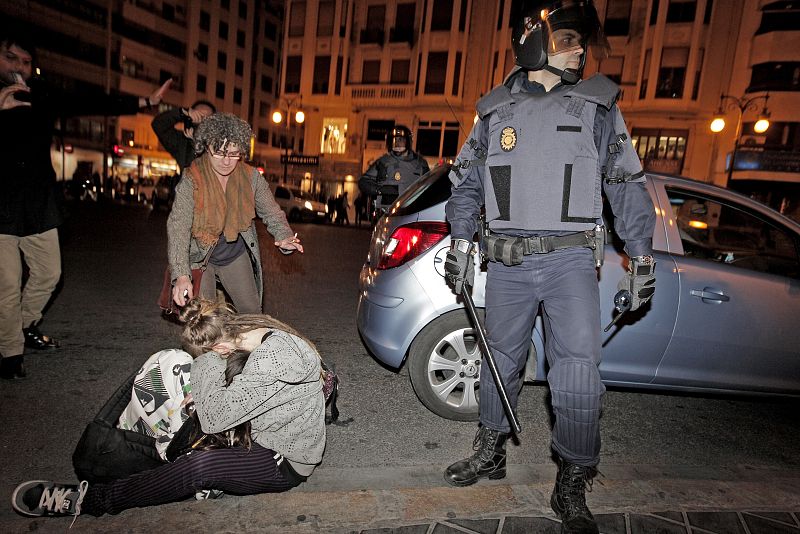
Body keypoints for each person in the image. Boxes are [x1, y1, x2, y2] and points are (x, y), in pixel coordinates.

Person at [442, 2, 656, 533]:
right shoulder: (493, 111)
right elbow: (466, 183)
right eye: (567, 40)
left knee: (578, 371)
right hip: (509, 264)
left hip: (569, 263)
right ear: (533, 42)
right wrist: (461, 246)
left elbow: (625, 182)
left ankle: (572, 482)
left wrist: (642, 255)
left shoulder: (598, 105)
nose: (580, 49)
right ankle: (491, 452)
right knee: (498, 362)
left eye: (580, 42)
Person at [11, 298, 326, 520]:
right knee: (173, 389)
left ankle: (88, 501)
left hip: (282, 458)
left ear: (220, 346)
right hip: (255, 429)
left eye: (211, 353)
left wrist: (207, 363)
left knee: (200, 467)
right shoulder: (247, 329)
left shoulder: (272, 358)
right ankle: (134, 456)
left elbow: (216, 417)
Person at [0, 26, 170, 380]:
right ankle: (9, 354)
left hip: (38, 204)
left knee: (49, 275)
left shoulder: (38, 95)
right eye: (11, 57)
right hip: (1, 207)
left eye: (27, 61)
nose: (19, 66)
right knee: (7, 283)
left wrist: (144, 102)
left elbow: (87, 100)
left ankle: (18, 326)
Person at [167, 112, 303, 315]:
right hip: (199, 258)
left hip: (234, 255)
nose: (226, 161)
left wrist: (283, 236)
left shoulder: (250, 177)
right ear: (206, 146)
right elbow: (178, 227)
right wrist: (181, 275)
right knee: (207, 320)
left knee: (252, 314)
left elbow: (272, 211)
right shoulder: (192, 179)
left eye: (233, 153)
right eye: (219, 152)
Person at [358, 125, 430, 215]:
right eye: (394, 140)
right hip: (387, 213)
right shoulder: (383, 162)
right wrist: (379, 190)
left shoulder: (420, 163)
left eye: (401, 140)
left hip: (412, 212)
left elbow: (429, 187)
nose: (397, 143)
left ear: (407, 141)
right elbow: (363, 182)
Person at [151, 98, 216, 174]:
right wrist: (183, 113)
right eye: (199, 116)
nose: (203, 121)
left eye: (208, 118)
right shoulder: (182, 142)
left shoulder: (221, 144)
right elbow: (158, 124)